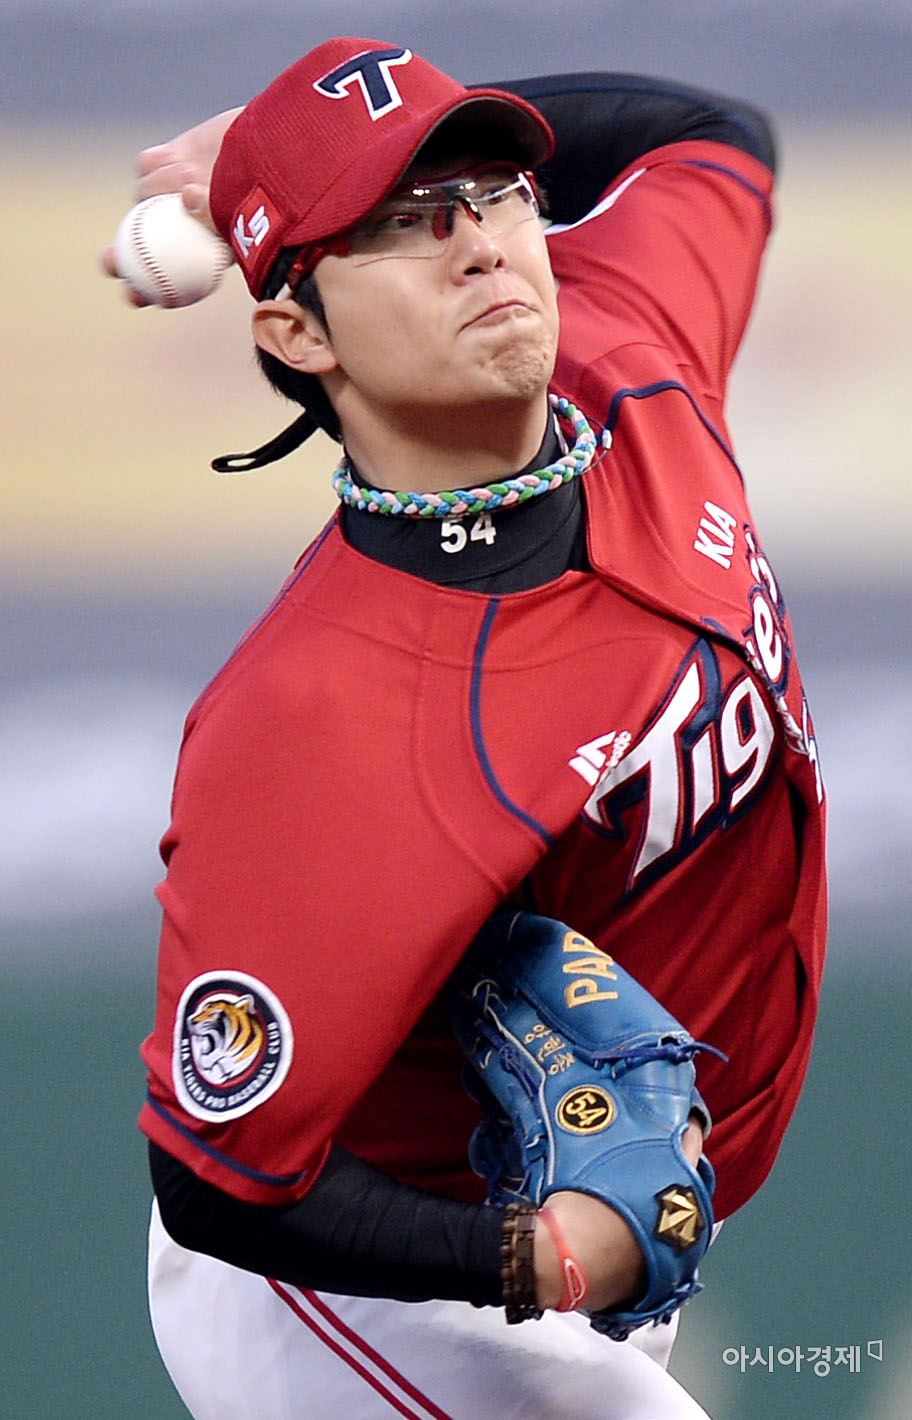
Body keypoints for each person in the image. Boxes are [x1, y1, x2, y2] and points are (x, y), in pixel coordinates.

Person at [110, 35, 826, 1420]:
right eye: (403, 224)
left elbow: (706, 133)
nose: (483, 244)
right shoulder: (318, 717)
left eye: (496, 191)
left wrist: (265, 147)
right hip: (363, 1299)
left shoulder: (630, 351)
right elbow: (217, 1176)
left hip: (583, 1250)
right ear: (299, 335)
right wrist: (532, 1259)